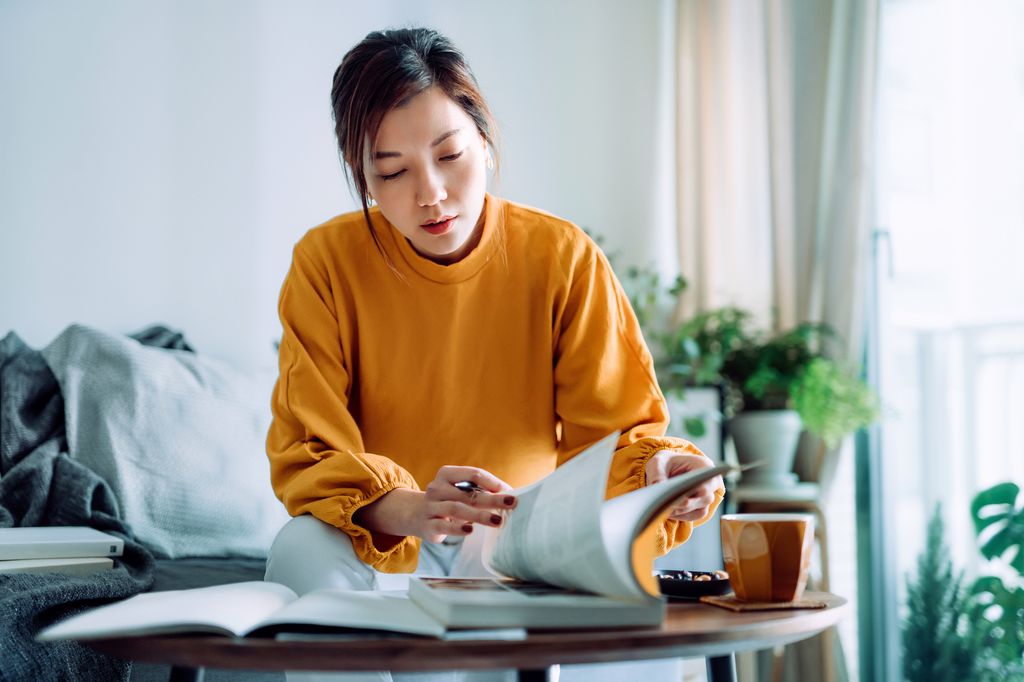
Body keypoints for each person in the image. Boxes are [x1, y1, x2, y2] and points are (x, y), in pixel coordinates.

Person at [264, 26, 724, 681]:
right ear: (362, 177)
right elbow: (310, 448)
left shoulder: (562, 257)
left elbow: (620, 437)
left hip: (518, 545)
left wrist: (663, 475)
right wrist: (413, 508)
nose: (429, 193)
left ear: (483, 138)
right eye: (390, 171)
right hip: (387, 542)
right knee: (301, 545)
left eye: (449, 155)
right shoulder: (326, 263)